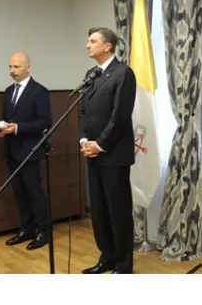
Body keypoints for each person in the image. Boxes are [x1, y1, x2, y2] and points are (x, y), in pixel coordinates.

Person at [79, 27, 137, 274]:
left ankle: (123, 264)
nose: (87, 45)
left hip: (113, 154)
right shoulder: (92, 74)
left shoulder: (123, 73)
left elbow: (120, 117)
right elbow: (83, 111)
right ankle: (108, 256)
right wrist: (83, 140)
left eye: (92, 41)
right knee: (100, 211)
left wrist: (99, 145)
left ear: (108, 46)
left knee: (118, 210)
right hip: (92, 153)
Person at [0, 51, 51, 251]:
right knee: (19, 192)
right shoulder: (9, 91)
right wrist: (2, 129)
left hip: (30, 150)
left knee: (34, 191)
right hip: (12, 149)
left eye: (17, 67)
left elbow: (45, 122)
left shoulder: (39, 91)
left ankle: (42, 231)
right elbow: (7, 118)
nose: (12, 71)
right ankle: (26, 228)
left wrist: (18, 128)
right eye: (10, 66)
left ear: (28, 67)